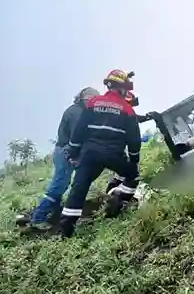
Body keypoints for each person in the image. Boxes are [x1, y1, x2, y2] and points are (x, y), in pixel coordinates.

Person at [60, 69, 142, 238]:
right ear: (122, 89)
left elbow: (79, 130)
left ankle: (66, 230)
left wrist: (73, 151)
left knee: (79, 188)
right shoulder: (127, 110)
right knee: (133, 175)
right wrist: (134, 159)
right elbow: (134, 139)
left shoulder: (93, 103)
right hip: (114, 155)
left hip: (89, 154)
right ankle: (119, 201)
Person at [16, 87, 100, 230]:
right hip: (66, 152)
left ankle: (55, 213)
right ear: (84, 99)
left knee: (62, 184)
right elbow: (77, 136)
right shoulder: (77, 112)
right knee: (59, 185)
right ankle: (38, 218)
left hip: (63, 151)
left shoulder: (76, 110)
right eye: (92, 100)